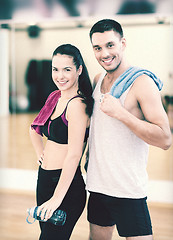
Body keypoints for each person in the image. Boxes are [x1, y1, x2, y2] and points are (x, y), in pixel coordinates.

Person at [85, 19, 172, 240]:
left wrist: (122, 113)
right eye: (98, 48)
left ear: (123, 43)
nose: (104, 53)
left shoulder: (141, 83)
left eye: (110, 45)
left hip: (128, 191)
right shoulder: (98, 80)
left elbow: (165, 139)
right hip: (97, 186)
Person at [29, 44, 94, 240]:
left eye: (67, 69)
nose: (60, 76)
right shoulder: (55, 97)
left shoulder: (77, 104)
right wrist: (41, 154)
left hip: (65, 187)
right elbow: (35, 129)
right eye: (55, 69)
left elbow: (74, 154)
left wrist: (57, 198)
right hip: (45, 180)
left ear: (79, 70)